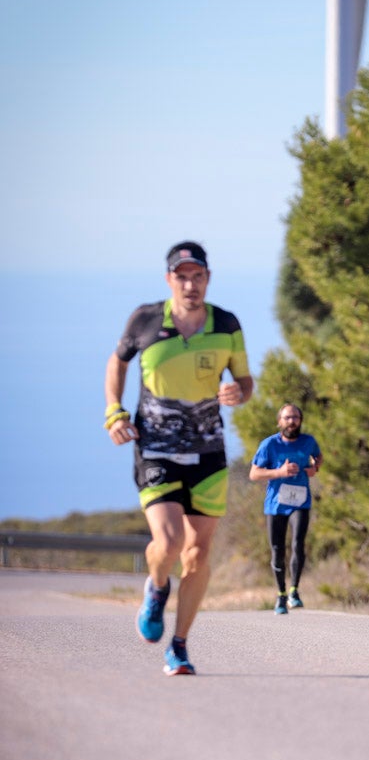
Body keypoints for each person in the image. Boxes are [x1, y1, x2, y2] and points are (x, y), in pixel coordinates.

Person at [104, 241, 253, 675]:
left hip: (208, 451)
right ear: (169, 279)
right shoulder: (145, 319)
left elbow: (244, 382)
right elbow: (117, 363)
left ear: (208, 279)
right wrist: (114, 411)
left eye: (198, 276)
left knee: (198, 555)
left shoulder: (226, 324)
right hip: (155, 449)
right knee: (167, 543)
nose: (190, 284)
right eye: (182, 276)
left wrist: (238, 393)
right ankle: (156, 587)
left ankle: (180, 645)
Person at [249, 404, 323, 614]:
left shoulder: (308, 441)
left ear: (300, 420)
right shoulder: (269, 445)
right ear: (279, 421)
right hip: (276, 505)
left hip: (300, 502)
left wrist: (314, 469)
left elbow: (318, 458)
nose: (292, 421)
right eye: (287, 417)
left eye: (296, 417)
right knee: (277, 549)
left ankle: (294, 591)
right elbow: (254, 474)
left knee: (298, 543)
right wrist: (280, 472)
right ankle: (281, 594)